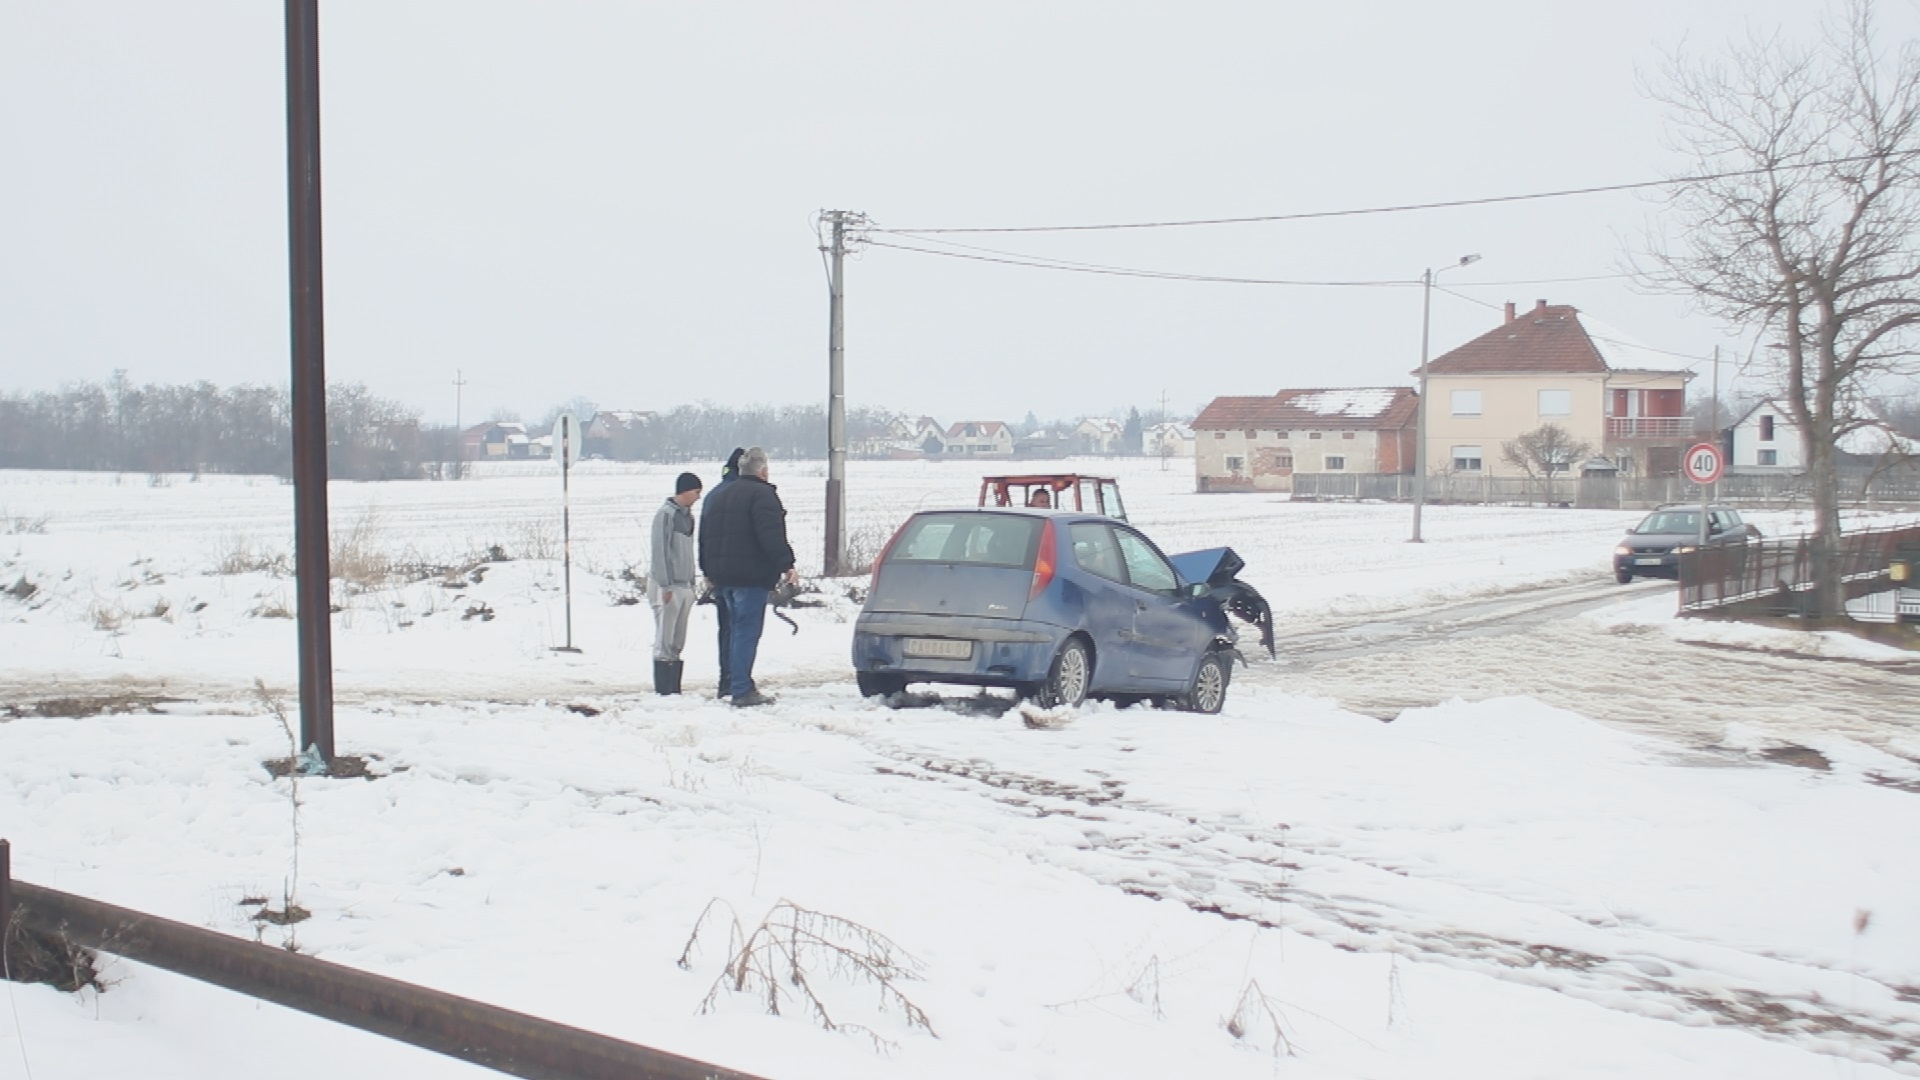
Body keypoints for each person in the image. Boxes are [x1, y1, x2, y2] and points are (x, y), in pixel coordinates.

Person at [697, 446, 796, 707]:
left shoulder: (719, 495)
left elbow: (705, 538)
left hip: (723, 577)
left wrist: (708, 571)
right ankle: (741, 689)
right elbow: (770, 534)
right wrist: (787, 564)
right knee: (746, 632)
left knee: (733, 630)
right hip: (751, 576)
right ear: (763, 471)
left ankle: (732, 682)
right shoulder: (763, 495)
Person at [649, 471, 703, 695]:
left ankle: (674, 686)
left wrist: (691, 582)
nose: (698, 497)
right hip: (668, 585)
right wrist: (665, 584)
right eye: (696, 492)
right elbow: (660, 551)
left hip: (684, 584)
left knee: (678, 639)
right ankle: (664, 688)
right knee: (665, 637)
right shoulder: (665, 515)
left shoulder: (688, 517)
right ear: (685, 490)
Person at [699, 447, 746, 698]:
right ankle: (739, 680)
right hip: (741, 573)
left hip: (718, 574)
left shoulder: (713, 496)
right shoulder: (744, 495)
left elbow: (704, 538)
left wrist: (707, 570)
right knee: (742, 628)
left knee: (725, 628)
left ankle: (725, 679)